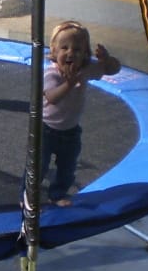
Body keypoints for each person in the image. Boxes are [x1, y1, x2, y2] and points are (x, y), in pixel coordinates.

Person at [37, 20, 120, 206]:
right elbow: (52, 97)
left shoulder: (86, 69)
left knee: (67, 168)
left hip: (71, 131)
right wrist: (70, 83)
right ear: (54, 51)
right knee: (38, 166)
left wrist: (107, 61)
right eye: (64, 48)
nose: (70, 53)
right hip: (45, 129)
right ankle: (28, 195)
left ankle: (57, 195)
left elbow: (113, 70)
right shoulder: (52, 74)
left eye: (77, 49)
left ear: (85, 54)